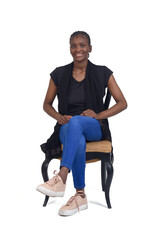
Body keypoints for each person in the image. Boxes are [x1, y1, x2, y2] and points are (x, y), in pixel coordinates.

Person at [37, 31, 127, 216]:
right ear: (70, 49)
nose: (78, 49)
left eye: (82, 45)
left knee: (77, 120)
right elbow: (46, 104)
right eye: (74, 46)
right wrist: (58, 117)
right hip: (67, 126)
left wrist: (99, 114)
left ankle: (62, 177)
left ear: (90, 48)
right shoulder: (59, 73)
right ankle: (80, 196)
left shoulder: (103, 72)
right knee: (74, 132)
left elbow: (122, 103)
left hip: (94, 126)